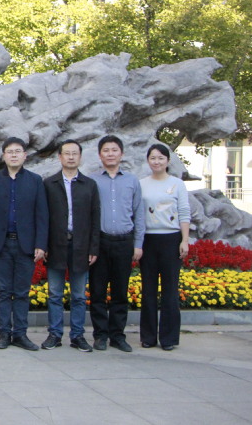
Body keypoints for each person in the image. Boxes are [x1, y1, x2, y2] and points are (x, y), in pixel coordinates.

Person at [0, 137, 48, 351]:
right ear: (3, 156)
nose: (14, 155)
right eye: (10, 151)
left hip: (26, 245)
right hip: (0, 245)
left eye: (18, 151)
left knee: (21, 292)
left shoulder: (35, 181)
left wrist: (41, 244)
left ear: (25, 155)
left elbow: (42, 215)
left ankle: (20, 334)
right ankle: (4, 333)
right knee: (3, 291)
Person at [41, 140, 100, 352]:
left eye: (75, 153)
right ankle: (54, 334)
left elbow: (95, 218)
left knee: (79, 296)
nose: (71, 157)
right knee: (55, 294)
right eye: (67, 153)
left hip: (81, 245)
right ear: (60, 157)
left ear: (80, 157)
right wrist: (43, 245)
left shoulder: (89, 185)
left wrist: (93, 248)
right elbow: (43, 217)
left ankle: (77, 335)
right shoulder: (49, 184)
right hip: (55, 244)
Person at [90, 135, 145, 352]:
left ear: (121, 154)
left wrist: (138, 244)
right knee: (97, 292)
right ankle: (100, 335)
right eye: (106, 150)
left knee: (120, 292)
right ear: (100, 155)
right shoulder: (93, 181)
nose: (110, 154)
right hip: (100, 242)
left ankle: (118, 336)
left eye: (114, 150)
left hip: (124, 242)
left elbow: (139, 213)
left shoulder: (132, 181)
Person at [139, 144, 190, 351]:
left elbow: (184, 212)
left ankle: (169, 338)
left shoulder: (177, 184)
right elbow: (138, 214)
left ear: (168, 161)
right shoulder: (141, 184)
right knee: (148, 289)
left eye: (161, 158)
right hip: (148, 240)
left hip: (171, 239)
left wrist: (184, 240)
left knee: (170, 291)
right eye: (153, 158)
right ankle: (148, 337)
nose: (157, 161)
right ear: (148, 160)